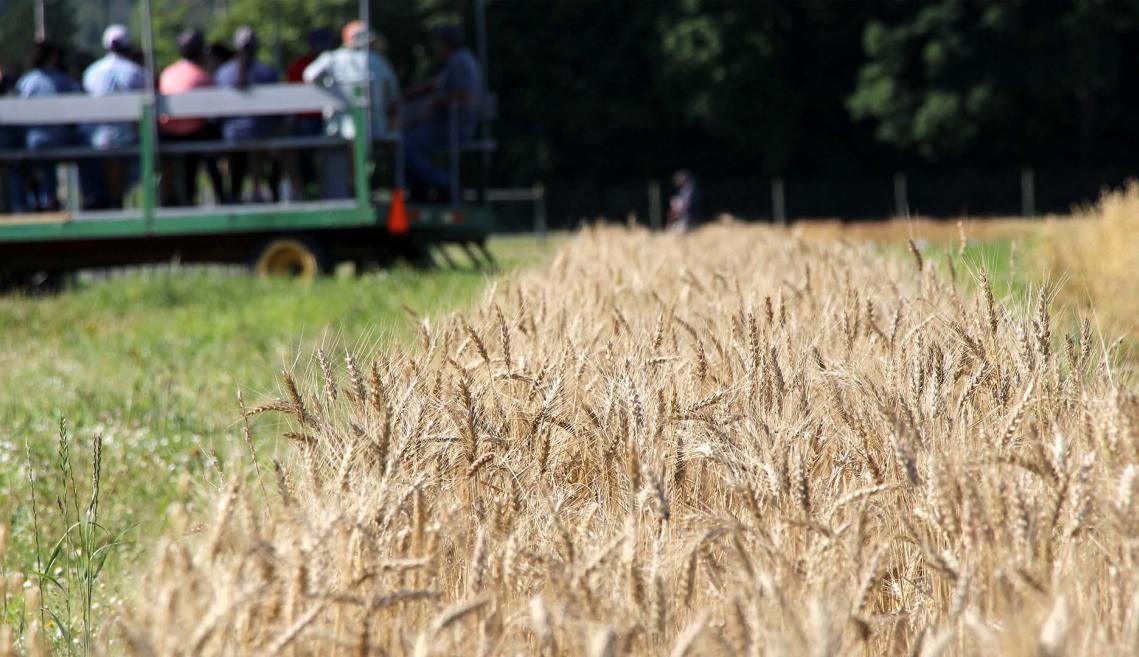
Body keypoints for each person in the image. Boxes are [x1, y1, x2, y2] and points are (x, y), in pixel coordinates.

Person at [303, 20, 400, 198]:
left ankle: (349, 191)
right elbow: (393, 94)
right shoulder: (377, 60)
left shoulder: (331, 58)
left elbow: (309, 75)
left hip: (338, 128)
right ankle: (360, 190)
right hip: (372, 127)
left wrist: (327, 88)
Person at [402, 24, 481, 200]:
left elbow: (466, 96)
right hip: (447, 124)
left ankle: (444, 183)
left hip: (455, 126)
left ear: (446, 43)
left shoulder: (461, 62)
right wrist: (407, 96)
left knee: (406, 146)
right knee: (411, 140)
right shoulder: (457, 61)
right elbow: (433, 85)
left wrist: (435, 104)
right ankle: (420, 191)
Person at [82, 25, 146, 209]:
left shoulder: (91, 72)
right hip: (128, 139)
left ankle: (104, 199)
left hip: (95, 140)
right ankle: (115, 199)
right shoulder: (135, 71)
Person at [158, 29, 225, 206]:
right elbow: (215, 111)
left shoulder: (168, 72)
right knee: (210, 144)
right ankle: (223, 196)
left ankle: (175, 197)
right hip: (191, 133)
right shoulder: (202, 76)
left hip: (168, 134)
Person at [215, 27, 279, 203]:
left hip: (233, 135)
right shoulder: (267, 71)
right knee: (259, 140)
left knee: (243, 144)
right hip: (259, 134)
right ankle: (259, 190)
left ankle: (235, 193)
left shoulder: (223, 73)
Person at [15, 41, 81, 212]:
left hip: (34, 140)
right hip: (59, 138)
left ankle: (34, 202)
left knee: (38, 162)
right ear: (52, 57)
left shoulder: (26, 81)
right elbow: (79, 107)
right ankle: (52, 200)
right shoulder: (63, 80)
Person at [285, 28, 336, 199]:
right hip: (306, 121)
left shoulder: (334, 62)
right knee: (304, 152)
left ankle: (328, 189)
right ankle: (309, 188)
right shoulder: (299, 66)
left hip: (331, 119)